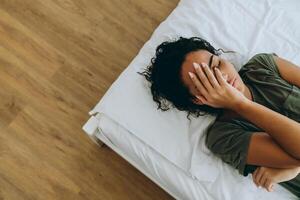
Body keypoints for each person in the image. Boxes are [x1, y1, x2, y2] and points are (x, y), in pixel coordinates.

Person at [138, 37, 300, 197]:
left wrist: (292, 168)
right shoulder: (223, 136)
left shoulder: (263, 65)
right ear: (197, 99)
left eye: (217, 65)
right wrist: (240, 104)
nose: (222, 78)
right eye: (206, 81)